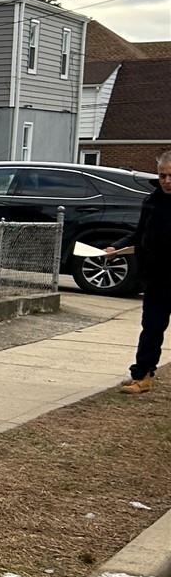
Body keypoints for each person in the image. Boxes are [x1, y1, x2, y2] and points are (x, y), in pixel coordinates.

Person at [113, 148, 171, 394]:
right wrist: (116, 246)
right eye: (162, 175)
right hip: (157, 278)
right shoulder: (151, 202)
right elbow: (140, 234)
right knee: (152, 327)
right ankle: (143, 375)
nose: (167, 181)